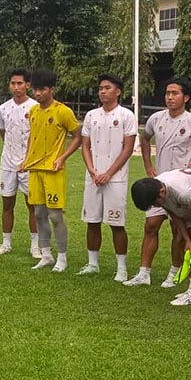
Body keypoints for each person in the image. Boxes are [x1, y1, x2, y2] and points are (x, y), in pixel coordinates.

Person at [125, 79, 191, 287]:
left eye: (175, 93)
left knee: (179, 229)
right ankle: (144, 273)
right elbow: (146, 138)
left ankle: (174, 272)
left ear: (186, 98)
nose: (169, 97)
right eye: (167, 93)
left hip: (182, 186)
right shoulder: (156, 119)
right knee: (151, 225)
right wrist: (149, 165)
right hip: (158, 185)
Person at [131, 168, 191, 304]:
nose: (156, 206)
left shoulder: (183, 192)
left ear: (161, 193)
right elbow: (176, 215)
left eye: (155, 203)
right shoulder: (159, 188)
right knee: (186, 243)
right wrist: (187, 240)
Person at [20, 69, 82, 272]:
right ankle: (46, 255)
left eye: (42, 89)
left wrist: (62, 157)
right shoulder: (33, 112)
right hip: (35, 169)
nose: (37, 94)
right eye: (35, 89)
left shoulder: (62, 111)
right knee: (38, 213)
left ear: (51, 89)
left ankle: (62, 258)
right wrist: (25, 160)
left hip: (53, 170)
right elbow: (33, 137)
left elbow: (77, 135)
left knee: (55, 215)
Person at [78, 74, 138, 281]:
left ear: (118, 91)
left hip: (116, 178)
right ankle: (92, 263)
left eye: (107, 88)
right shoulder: (91, 115)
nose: (102, 91)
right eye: (100, 88)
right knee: (92, 221)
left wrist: (109, 173)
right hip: (93, 177)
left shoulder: (126, 116)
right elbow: (85, 145)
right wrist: (93, 170)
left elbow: (128, 148)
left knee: (116, 223)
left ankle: (121, 268)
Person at [0, 69, 39, 258]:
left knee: (33, 205)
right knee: (7, 204)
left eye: (20, 83)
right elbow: (3, 132)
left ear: (27, 85)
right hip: (8, 163)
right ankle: (6, 243)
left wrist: (27, 158)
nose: (16, 87)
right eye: (13, 83)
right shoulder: (3, 108)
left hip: (29, 164)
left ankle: (35, 245)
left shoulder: (35, 107)